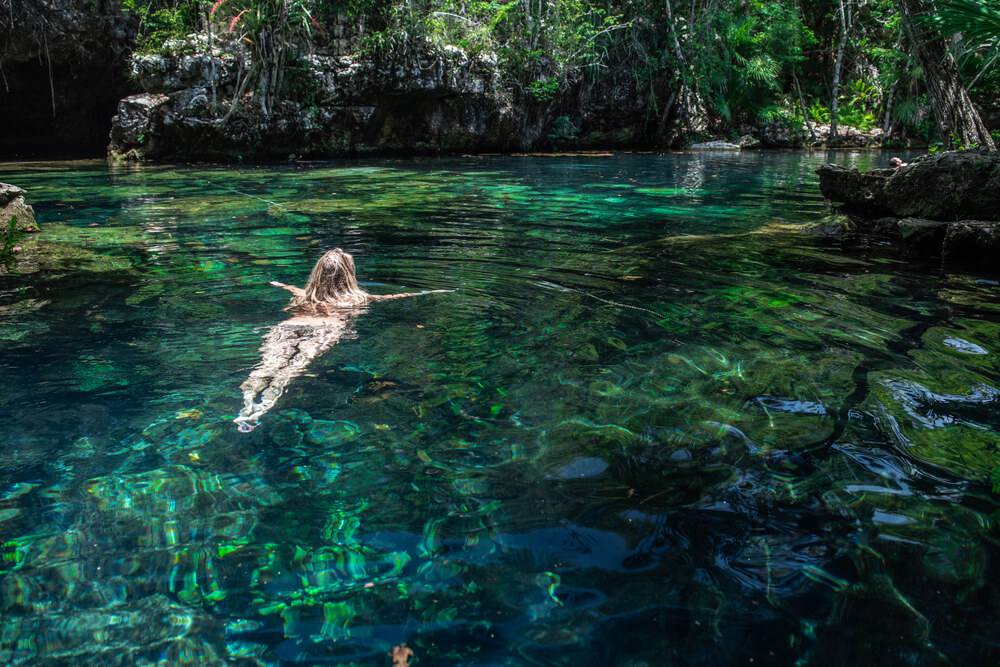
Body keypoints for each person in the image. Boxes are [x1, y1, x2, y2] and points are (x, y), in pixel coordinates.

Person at [234, 248, 450, 432]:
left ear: (317, 274)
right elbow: (397, 297)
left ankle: (245, 405)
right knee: (291, 370)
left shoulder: (306, 296)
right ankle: (262, 408)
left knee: (267, 366)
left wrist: (277, 283)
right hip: (327, 329)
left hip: (289, 326)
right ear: (348, 274)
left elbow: (291, 288)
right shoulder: (361, 298)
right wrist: (432, 291)